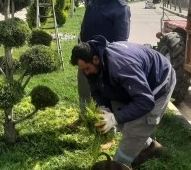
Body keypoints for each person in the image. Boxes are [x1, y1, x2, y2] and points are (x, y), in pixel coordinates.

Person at [70, 35, 176, 167]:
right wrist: (104, 108)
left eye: (86, 68)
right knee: (122, 117)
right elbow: (96, 89)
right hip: (137, 84)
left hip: (158, 83)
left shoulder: (120, 65)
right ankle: (150, 148)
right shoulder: (95, 63)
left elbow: (145, 101)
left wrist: (114, 118)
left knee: (137, 126)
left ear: (95, 59)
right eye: (82, 70)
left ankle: (121, 163)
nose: (86, 73)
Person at [58, 0, 132, 122]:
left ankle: (107, 125)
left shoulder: (121, 9)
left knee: (104, 94)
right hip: (85, 54)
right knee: (84, 89)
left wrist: (109, 63)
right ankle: (84, 117)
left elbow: (121, 41)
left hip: (103, 59)